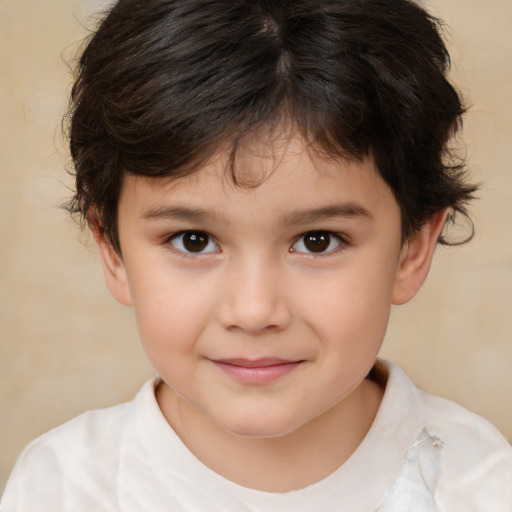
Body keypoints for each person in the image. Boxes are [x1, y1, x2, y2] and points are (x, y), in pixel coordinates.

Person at [2, 0, 511, 510]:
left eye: (318, 240)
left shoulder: (481, 485)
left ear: (412, 249)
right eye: (194, 240)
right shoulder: (62, 488)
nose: (253, 311)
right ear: (112, 250)